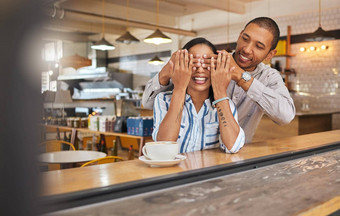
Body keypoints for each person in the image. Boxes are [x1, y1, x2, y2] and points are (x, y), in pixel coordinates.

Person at [143, 17, 296, 143]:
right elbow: (148, 103)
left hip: (237, 154)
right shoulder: (211, 61)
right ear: (240, 35)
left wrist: (240, 77)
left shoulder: (270, 77)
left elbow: (285, 116)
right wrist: (166, 71)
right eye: (245, 38)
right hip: (194, 150)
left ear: (270, 54)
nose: (247, 49)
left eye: (259, 46)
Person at [152, 38, 245, 153]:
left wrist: (220, 91)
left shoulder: (226, 105)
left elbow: (233, 147)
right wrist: (179, 88)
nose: (200, 69)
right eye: (194, 63)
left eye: (207, 64)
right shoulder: (163, 100)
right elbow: (163, 146)